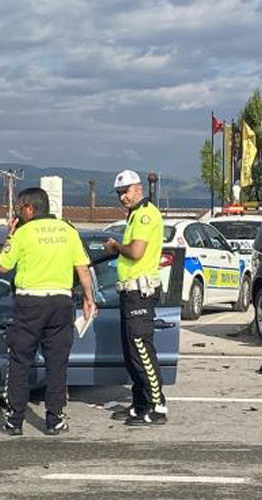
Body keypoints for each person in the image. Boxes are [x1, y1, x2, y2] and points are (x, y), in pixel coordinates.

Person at [0, 187, 96, 436]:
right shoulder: (68, 230)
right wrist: (88, 298)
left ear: (29, 208)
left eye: (20, 208)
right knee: (57, 363)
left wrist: (9, 236)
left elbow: (2, 266)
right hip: (61, 303)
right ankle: (54, 419)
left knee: (20, 361)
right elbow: (82, 268)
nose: (19, 213)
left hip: (30, 303)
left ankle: (15, 420)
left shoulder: (23, 233)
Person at [102, 170, 168, 426]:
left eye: (125, 192)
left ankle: (157, 405)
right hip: (129, 292)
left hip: (140, 293)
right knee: (131, 352)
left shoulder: (144, 215)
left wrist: (115, 246)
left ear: (138, 189)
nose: (122, 198)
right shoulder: (134, 216)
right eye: (119, 193)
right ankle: (139, 404)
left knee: (141, 350)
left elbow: (136, 252)